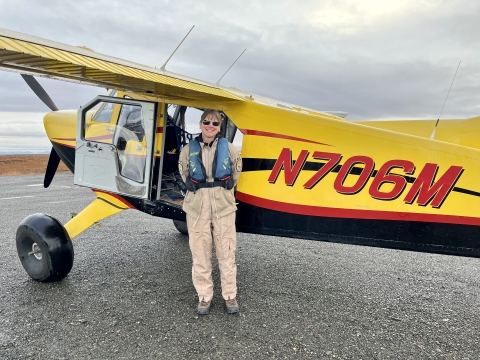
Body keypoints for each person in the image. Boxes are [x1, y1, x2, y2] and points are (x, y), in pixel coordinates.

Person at [178, 109, 242, 315]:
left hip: (223, 207)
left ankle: (230, 295)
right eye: (207, 122)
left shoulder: (230, 149)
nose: (210, 126)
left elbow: (235, 174)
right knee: (200, 253)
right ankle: (204, 297)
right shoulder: (188, 150)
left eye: (215, 123)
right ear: (200, 123)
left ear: (220, 127)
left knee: (227, 252)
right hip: (197, 208)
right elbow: (184, 173)